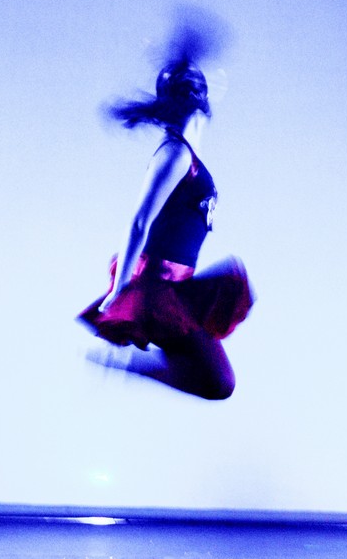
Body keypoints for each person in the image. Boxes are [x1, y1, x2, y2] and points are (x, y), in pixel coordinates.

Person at [76, 58, 254, 399]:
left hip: (179, 287)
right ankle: (128, 364)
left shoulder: (189, 155)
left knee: (218, 382)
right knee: (219, 383)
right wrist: (120, 289)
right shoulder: (175, 154)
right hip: (157, 288)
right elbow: (139, 221)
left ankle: (128, 364)